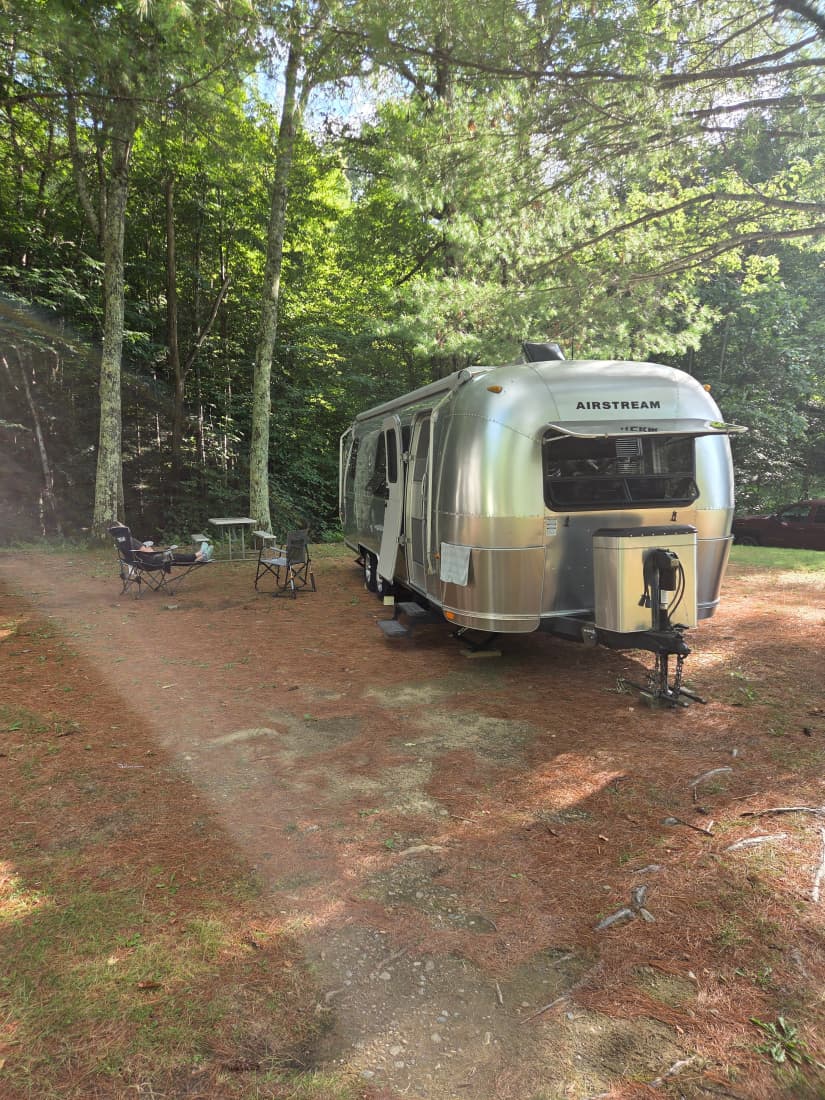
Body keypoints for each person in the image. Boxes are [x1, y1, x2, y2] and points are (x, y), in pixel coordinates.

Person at [127, 529, 213, 565]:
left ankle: (200, 555)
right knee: (175, 556)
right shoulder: (132, 540)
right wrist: (149, 548)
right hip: (153, 562)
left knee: (175, 556)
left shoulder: (123, 542)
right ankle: (201, 555)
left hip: (144, 563)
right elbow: (148, 553)